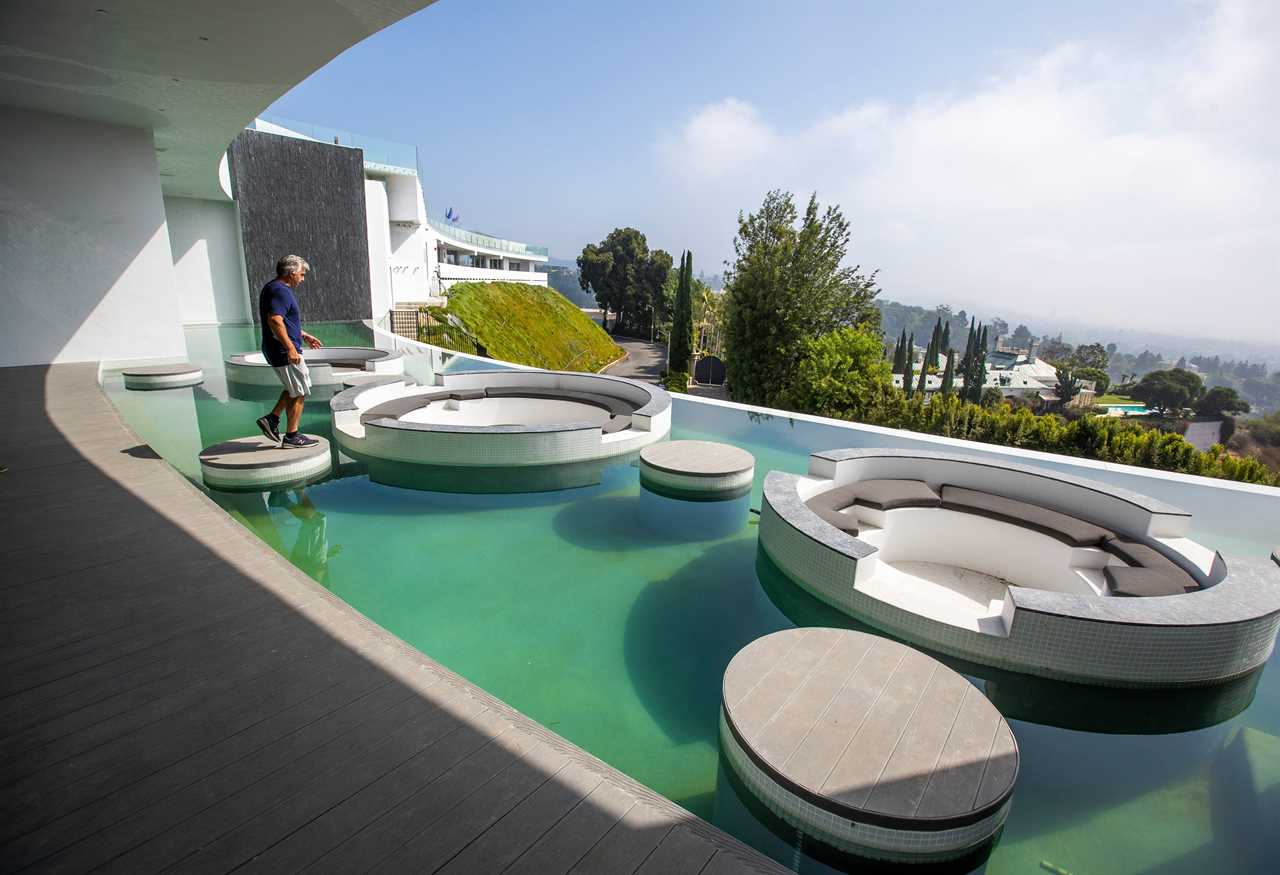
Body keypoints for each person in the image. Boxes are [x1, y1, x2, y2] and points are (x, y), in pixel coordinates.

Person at [254, 255, 323, 448]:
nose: (302, 279)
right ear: (291, 273)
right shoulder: (280, 290)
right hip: (284, 352)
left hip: (279, 349)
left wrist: (303, 335)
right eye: (301, 274)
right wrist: (291, 348)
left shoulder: (272, 288)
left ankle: (272, 419)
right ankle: (292, 437)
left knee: (294, 387)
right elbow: (275, 321)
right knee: (299, 391)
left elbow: (284, 321)